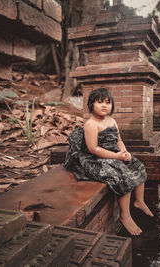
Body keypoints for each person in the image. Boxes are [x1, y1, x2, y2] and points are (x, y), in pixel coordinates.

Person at [64, 87, 153, 236]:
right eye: (100, 102)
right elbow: (93, 149)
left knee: (137, 165)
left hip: (113, 154)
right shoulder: (91, 124)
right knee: (120, 174)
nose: (104, 105)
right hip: (96, 159)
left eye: (108, 102)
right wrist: (116, 157)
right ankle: (125, 215)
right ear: (91, 104)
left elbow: (119, 140)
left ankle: (139, 201)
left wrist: (124, 153)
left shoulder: (112, 121)